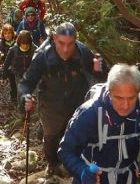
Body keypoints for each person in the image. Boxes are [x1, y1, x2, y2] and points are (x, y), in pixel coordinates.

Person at [19, 22, 103, 176]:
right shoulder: (43, 56)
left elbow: (101, 79)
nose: (66, 49)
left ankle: (75, 168)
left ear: (75, 41)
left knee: (77, 135)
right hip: (51, 104)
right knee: (51, 136)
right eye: (61, 43)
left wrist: (98, 71)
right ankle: (52, 165)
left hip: (77, 101)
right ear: (54, 38)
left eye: (70, 44)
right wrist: (25, 97)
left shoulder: (83, 52)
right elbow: (26, 83)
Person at [1, 30, 36, 103]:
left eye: (27, 44)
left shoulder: (34, 49)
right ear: (19, 42)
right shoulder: (13, 49)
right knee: (20, 92)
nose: (25, 46)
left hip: (30, 74)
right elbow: (7, 63)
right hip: (18, 73)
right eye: (23, 44)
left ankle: (30, 109)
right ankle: (20, 108)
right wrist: (4, 76)